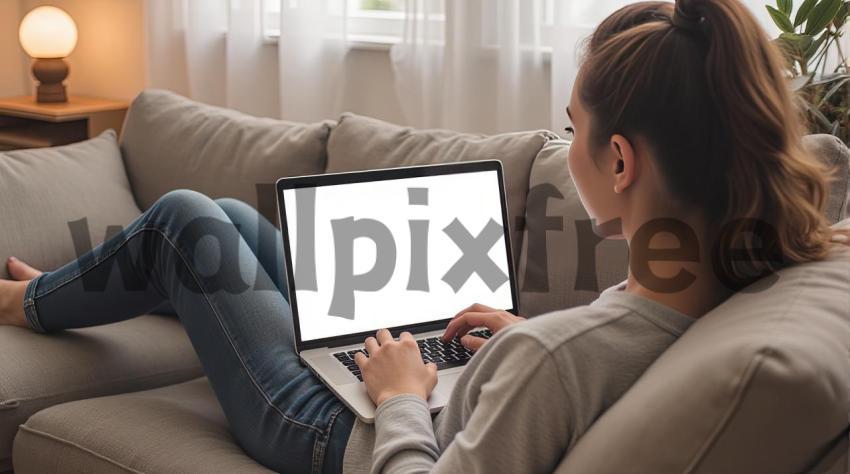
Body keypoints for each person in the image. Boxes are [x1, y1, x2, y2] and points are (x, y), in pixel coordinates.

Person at [1, 0, 848, 472]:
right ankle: (102, 284)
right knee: (236, 229)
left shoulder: (554, 364)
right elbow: (612, 354)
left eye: (572, 127)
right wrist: (529, 333)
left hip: (343, 435)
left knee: (189, 220)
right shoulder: (732, 271)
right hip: (438, 393)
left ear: (619, 161)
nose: (567, 146)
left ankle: (33, 300)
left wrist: (402, 394)